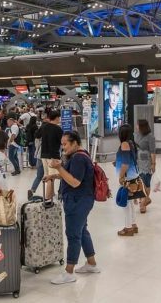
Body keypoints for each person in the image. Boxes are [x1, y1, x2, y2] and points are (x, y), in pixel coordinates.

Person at [48, 131, 99, 285]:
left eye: (65, 144)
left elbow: (75, 182)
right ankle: (91, 264)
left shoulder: (78, 158)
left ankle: (69, 272)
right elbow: (71, 175)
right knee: (82, 231)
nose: (63, 147)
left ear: (75, 143)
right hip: (82, 200)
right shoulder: (81, 155)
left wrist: (58, 168)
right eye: (62, 144)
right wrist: (54, 176)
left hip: (77, 201)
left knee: (73, 234)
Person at [30, 109, 62, 200]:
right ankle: (47, 199)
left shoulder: (44, 126)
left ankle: (51, 195)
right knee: (51, 178)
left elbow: (37, 135)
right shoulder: (58, 129)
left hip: (43, 155)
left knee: (48, 176)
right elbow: (62, 142)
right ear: (56, 118)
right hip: (53, 156)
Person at [115, 124, 140, 236]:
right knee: (130, 202)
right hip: (133, 175)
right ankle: (133, 225)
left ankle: (128, 228)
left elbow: (125, 163)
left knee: (125, 203)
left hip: (127, 177)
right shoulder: (131, 143)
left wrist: (121, 176)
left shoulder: (124, 144)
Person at [133, 119, 156, 214]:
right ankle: (143, 200)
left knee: (146, 182)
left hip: (146, 162)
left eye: (137, 125)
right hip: (137, 161)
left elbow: (153, 151)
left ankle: (143, 203)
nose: (136, 126)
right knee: (139, 182)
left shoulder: (150, 137)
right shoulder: (136, 135)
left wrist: (153, 164)